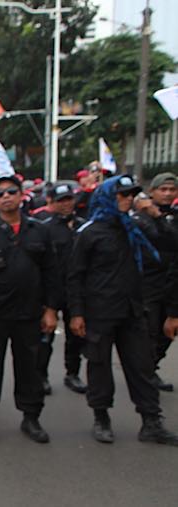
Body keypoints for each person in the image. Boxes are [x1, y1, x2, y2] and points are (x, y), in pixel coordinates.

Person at [68, 175, 178, 445]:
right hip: (100, 311)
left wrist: (156, 217)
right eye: (122, 194)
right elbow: (74, 276)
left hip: (132, 310)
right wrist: (77, 313)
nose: (128, 199)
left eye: (132, 194)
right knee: (99, 366)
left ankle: (151, 421)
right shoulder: (90, 232)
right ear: (108, 196)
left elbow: (171, 244)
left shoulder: (136, 225)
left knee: (142, 367)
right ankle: (101, 417)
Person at [0, 175, 60, 443]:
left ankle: (31, 417)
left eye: (11, 192)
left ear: (21, 195)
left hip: (30, 316)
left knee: (31, 369)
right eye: (0, 194)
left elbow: (52, 273)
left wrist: (51, 310)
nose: (6, 197)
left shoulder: (39, 231)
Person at [38, 183, 88, 394]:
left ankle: (73, 373)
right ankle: (41, 376)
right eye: (61, 200)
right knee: (45, 337)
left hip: (76, 291)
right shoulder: (44, 228)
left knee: (76, 335)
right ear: (51, 203)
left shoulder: (83, 226)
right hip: (51, 290)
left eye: (69, 199)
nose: (66, 204)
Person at [133, 172, 178, 392]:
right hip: (148, 284)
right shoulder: (141, 217)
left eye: (172, 190)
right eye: (163, 189)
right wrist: (155, 216)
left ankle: (151, 367)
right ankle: (146, 375)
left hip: (172, 284)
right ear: (152, 192)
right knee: (148, 333)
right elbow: (160, 239)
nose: (168, 194)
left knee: (168, 332)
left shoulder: (173, 216)